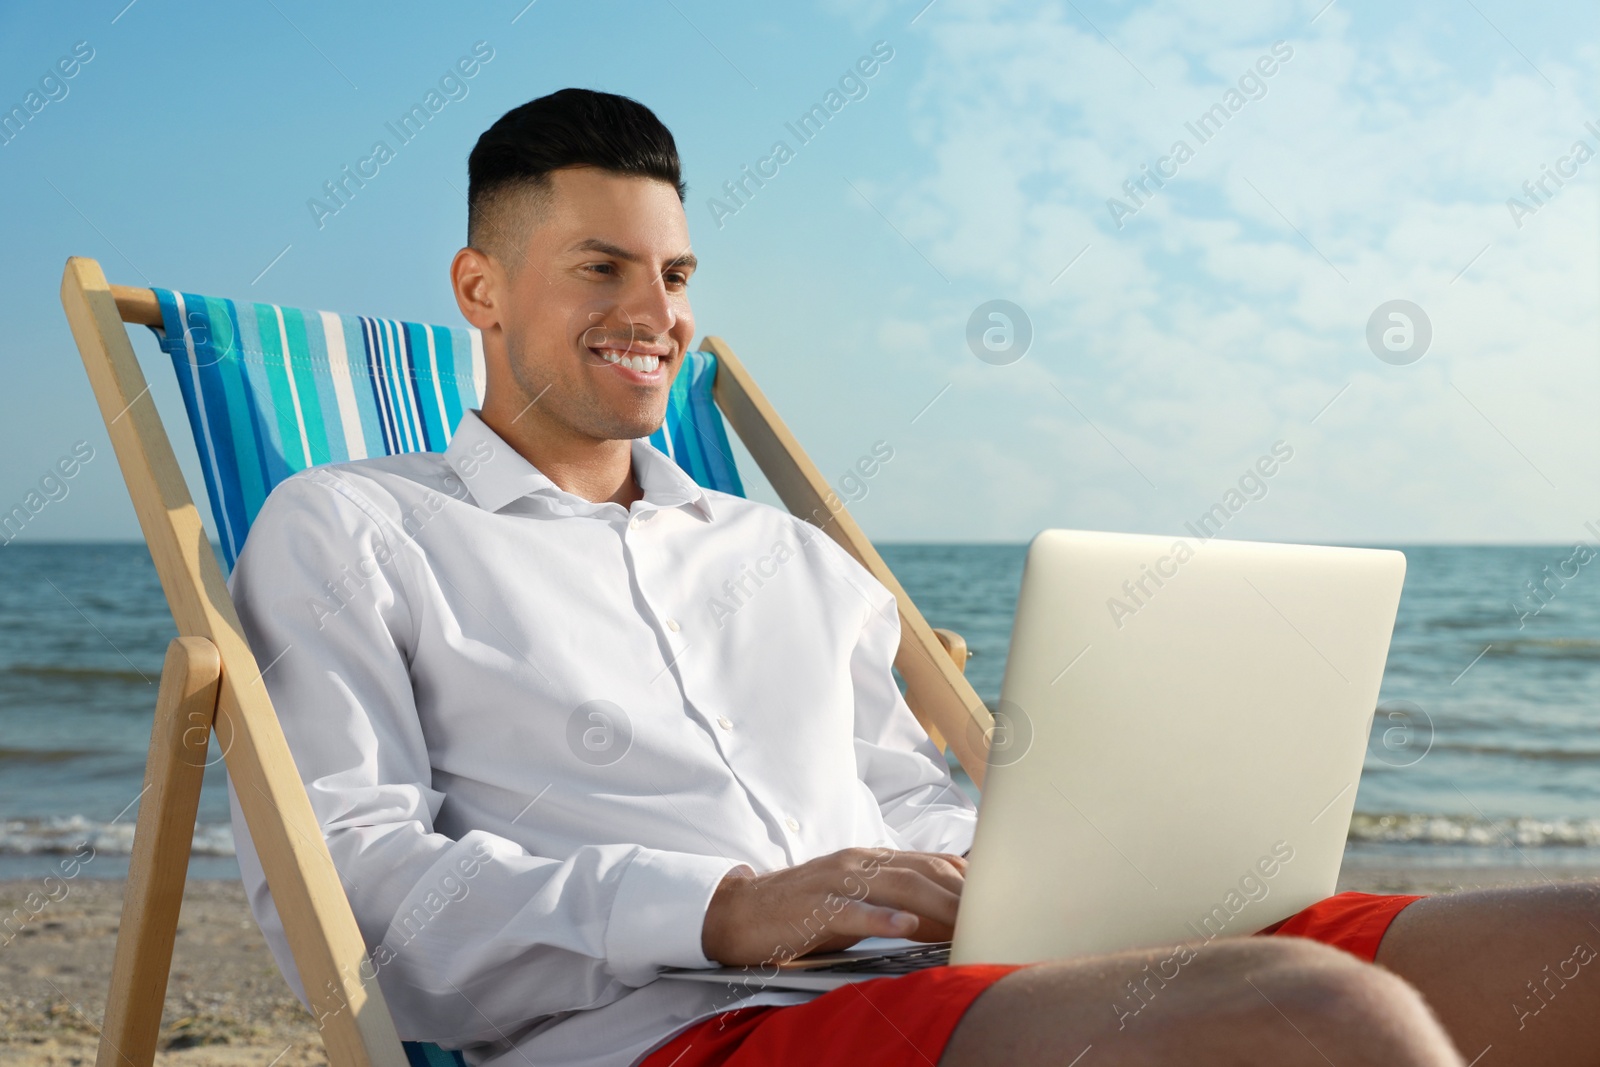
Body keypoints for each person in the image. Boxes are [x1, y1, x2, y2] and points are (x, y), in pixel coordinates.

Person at [227, 88, 1600, 1067]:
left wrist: (1002, 863)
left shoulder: (783, 557)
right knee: (1313, 1021)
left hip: (977, 971)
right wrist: (721, 908)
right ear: (479, 287)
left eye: (678, 272)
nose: (659, 316)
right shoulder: (355, 529)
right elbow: (342, 888)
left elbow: (895, 795)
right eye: (603, 270)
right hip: (691, 1027)